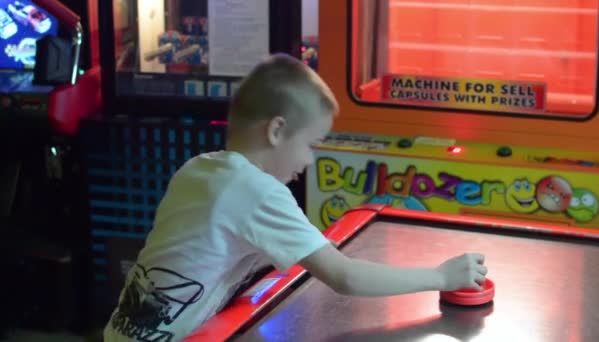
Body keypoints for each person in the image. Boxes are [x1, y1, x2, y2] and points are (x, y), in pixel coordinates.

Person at [103, 53, 488, 341]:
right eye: (310, 144)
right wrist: (442, 276)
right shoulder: (258, 191)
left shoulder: (199, 168)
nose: (307, 160)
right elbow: (345, 277)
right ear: (276, 131)